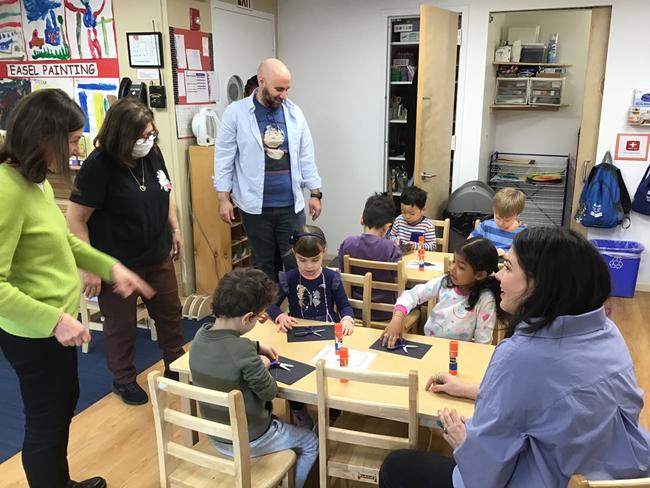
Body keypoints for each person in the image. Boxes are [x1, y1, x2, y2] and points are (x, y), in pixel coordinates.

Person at [379, 227, 650, 488]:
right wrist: (470, 390)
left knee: (397, 466)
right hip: (616, 471)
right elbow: (548, 401)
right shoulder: (607, 333)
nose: (498, 276)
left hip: (547, 478)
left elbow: (486, 473)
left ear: (541, 285)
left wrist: (466, 442)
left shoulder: (520, 355)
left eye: (508, 267)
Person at [0, 89, 153, 488]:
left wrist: (109, 266)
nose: (76, 147)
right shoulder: (5, 191)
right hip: (36, 332)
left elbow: (63, 242)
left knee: (60, 406)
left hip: (56, 326)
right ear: (41, 137)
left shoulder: (36, 184)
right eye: (70, 139)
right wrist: (52, 321)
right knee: (46, 419)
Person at [67, 98, 185, 406]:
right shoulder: (97, 167)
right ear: (122, 136)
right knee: (122, 327)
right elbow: (75, 220)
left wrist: (175, 228)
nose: (148, 141)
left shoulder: (152, 152)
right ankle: (123, 379)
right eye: (142, 136)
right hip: (117, 263)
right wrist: (89, 268)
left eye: (151, 134)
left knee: (170, 314)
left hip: (157, 253)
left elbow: (165, 191)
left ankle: (176, 365)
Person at [189, 268, 319, 488]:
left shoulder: (200, 337)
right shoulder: (243, 353)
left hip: (216, 435)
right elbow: (269, 392)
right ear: (248, 318)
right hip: (249, 438)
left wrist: (257, 346)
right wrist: (264, 364)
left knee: (280, 422)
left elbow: (227, 346)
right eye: (259, 316)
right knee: (310, 441)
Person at [214, 58, 323, 282]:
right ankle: (269, 313)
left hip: (290, 206)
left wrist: (315, 192)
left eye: (287, 89)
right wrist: (223, 198)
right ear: (261, 81)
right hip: (255, 208)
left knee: (296, 260)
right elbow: (224, 157)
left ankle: (298, 310)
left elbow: (306, 155)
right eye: (279, 89)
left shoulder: (294, 113)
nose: (284, 95)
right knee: (263, 264)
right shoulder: (236, 113)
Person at [267, 225, 355, 429]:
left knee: (332, 375)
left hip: (328, 336)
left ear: (323, 251)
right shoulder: (289, 278)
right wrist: (280, 316)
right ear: (294, 255)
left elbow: (343, 305)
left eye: (315, 260)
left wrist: (348, 319)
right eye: (302, 260)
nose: (309, 266)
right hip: (297, 337)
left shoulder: (332, 278)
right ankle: (298, 410)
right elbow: (270, 305)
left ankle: (333, 413)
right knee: (293, 375)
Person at [382, 238, 500, 347]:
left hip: (457, 351)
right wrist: (398, 318)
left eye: (461, 267)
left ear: (480, 275)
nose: (451, 268)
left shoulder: (485, 299)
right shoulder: (445, 282)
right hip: (430, 344)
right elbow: (412, 294)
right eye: (453, 261)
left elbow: (482, 343)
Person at [338, 193, 402, 320]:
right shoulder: (392, 249)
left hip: (354, 309)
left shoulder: (348, 243)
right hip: (385, 313)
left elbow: (343, 274)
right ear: (387, 226)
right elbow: (398, 281)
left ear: (362, 219)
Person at [469, 187, 526, 256]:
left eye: (507, 220)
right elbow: (469, 242)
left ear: (517, 215)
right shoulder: (486, 226)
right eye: (498, 218)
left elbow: (523, 256)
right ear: (494, 210)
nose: (501, 223)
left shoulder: (522, 233)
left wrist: (505, 254)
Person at [389, 185, 437, 251]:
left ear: (423, 210)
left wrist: (415, 246)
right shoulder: (399, 220)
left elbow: (432, 246)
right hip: (401, 256)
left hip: (419, 257)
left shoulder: (427, 225)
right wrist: (395, 240)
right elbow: (391, 236)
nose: (407, 216)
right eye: (403, 212)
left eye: (412, 213)